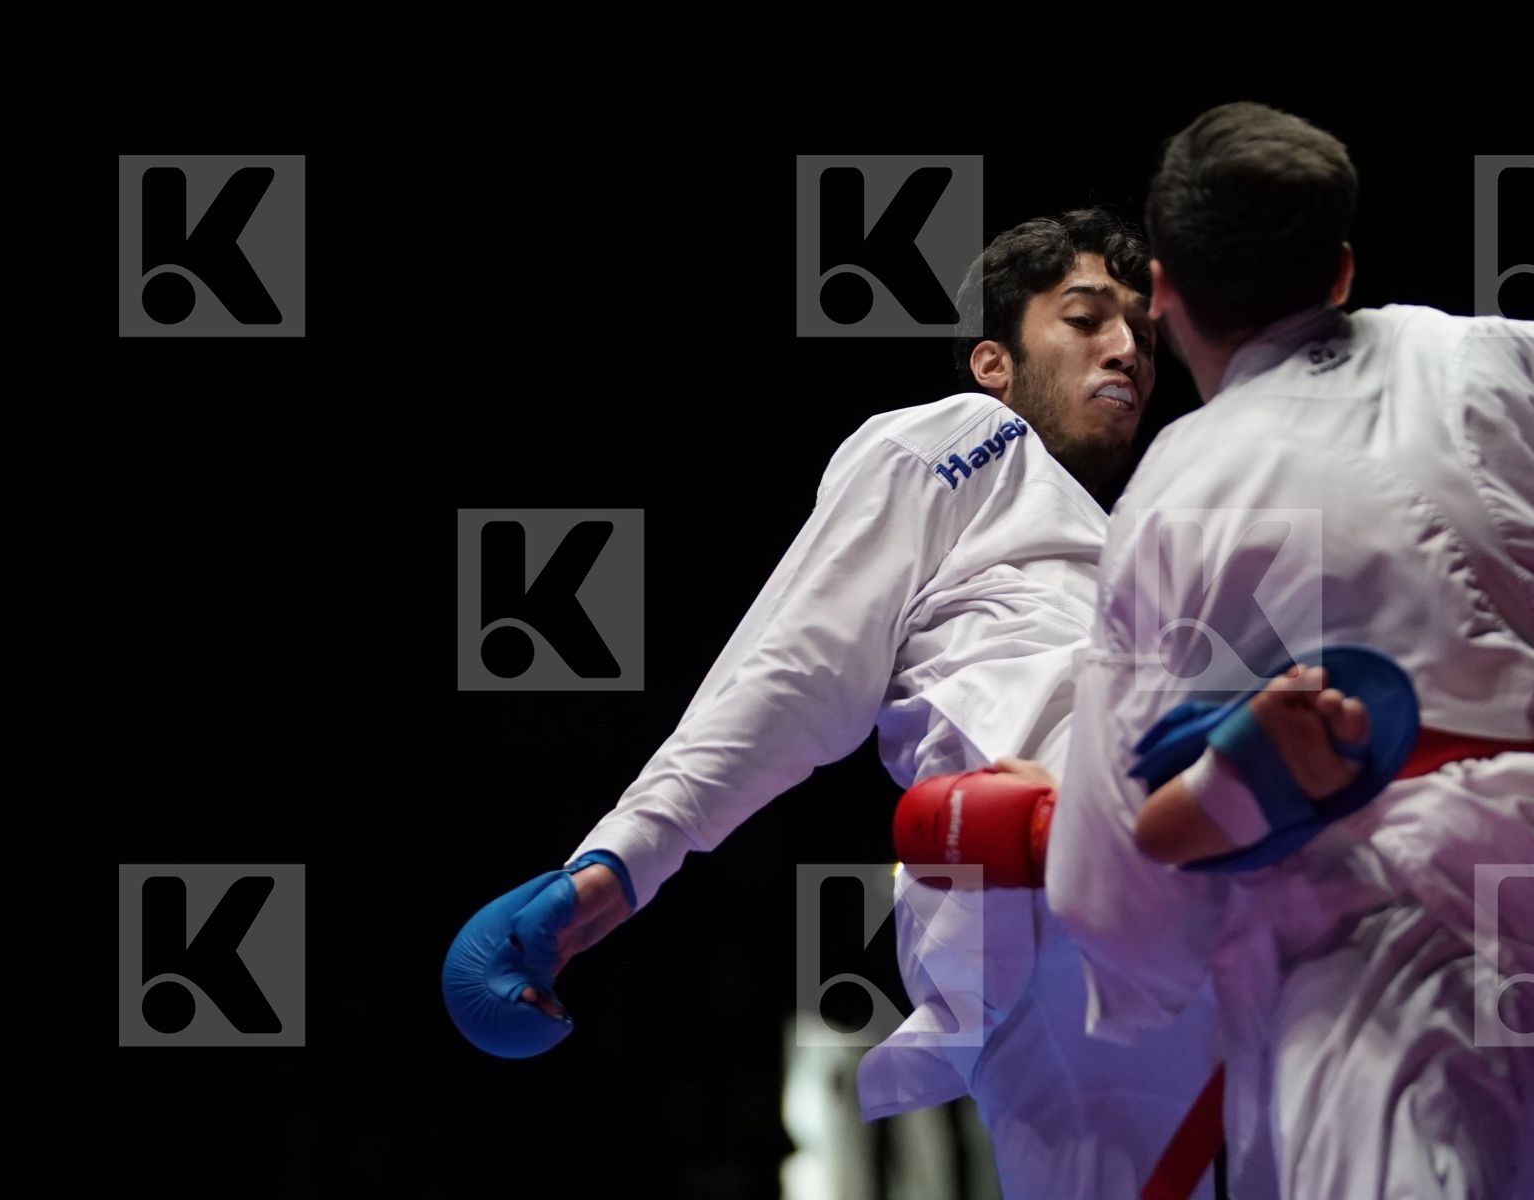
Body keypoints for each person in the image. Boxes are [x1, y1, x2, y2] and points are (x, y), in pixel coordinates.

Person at [1046, 102, 1534, 1199]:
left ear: (1159, 292)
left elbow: (1122, 902)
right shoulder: (1505, 356)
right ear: (1340, 271)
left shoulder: (1180, 486)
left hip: (1403, 906)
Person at [443, 209, 1226, 1198]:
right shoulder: (966, 440)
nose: (1126, 350)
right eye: (1084, 319)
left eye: (1146, 339)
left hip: (1191, 897)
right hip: (1035, 877)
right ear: (992, 361)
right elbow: (795, 668)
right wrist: (620, 862)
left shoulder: (1138, 548)